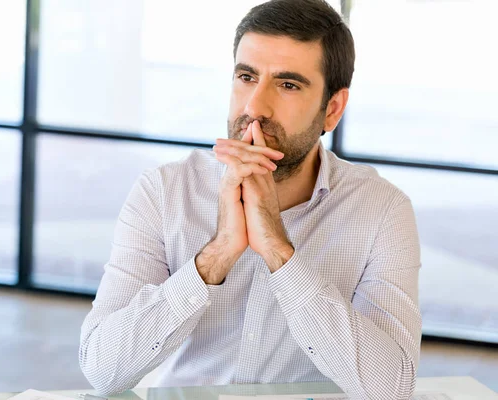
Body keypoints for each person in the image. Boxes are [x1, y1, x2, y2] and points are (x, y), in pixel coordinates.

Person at [79, 0, 422, 399]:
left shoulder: (382, 210)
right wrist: (216, 256)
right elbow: (103, 370)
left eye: (288, 84)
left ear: (332, 110)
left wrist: (279, 252)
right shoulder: (163, 191)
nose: (254, 107)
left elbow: (392, 388)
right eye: (246, 76)